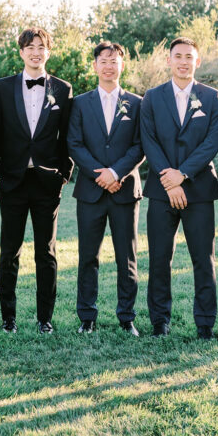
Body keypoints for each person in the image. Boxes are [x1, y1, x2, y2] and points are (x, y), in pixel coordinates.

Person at [0, 27, 73, 334]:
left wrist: (64, 174)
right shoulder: (3, 86)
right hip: (11, 180)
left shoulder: (62, 89)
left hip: (48, 182)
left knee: (45, 252)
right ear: (21, 52)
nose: (36, 52)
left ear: (48, 51)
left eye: (41, 47)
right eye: (30, 47)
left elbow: (67, 139)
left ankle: (44, 319)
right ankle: (8, 318)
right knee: (9, 251)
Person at [140, 37, 218, 337]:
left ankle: (205, 323)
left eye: (189, 57)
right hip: (161, 191)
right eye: (178, 56)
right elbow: (148, 140)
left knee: (203, 258)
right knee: (160, 258)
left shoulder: (213, 97)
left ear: (197, 62)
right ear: (169, 60)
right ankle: (159, 322)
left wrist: (184, 175)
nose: (184, 61)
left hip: (199, 189)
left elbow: (213, 141)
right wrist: (169, 178)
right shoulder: (151, 97)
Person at [67, 42, 144, 335]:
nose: (109, 66)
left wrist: (116, 172)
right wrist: (99, 173)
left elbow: (140, 144)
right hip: (91, 190)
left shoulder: (137, 103)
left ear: (122, 65)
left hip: (125, 190)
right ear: (95, 65)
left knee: (127, 257)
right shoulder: (80, 103)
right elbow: (74, 143)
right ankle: (87, 317)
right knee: (88, 256)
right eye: (104, 61)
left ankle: (127, 318)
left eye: (115, 61)